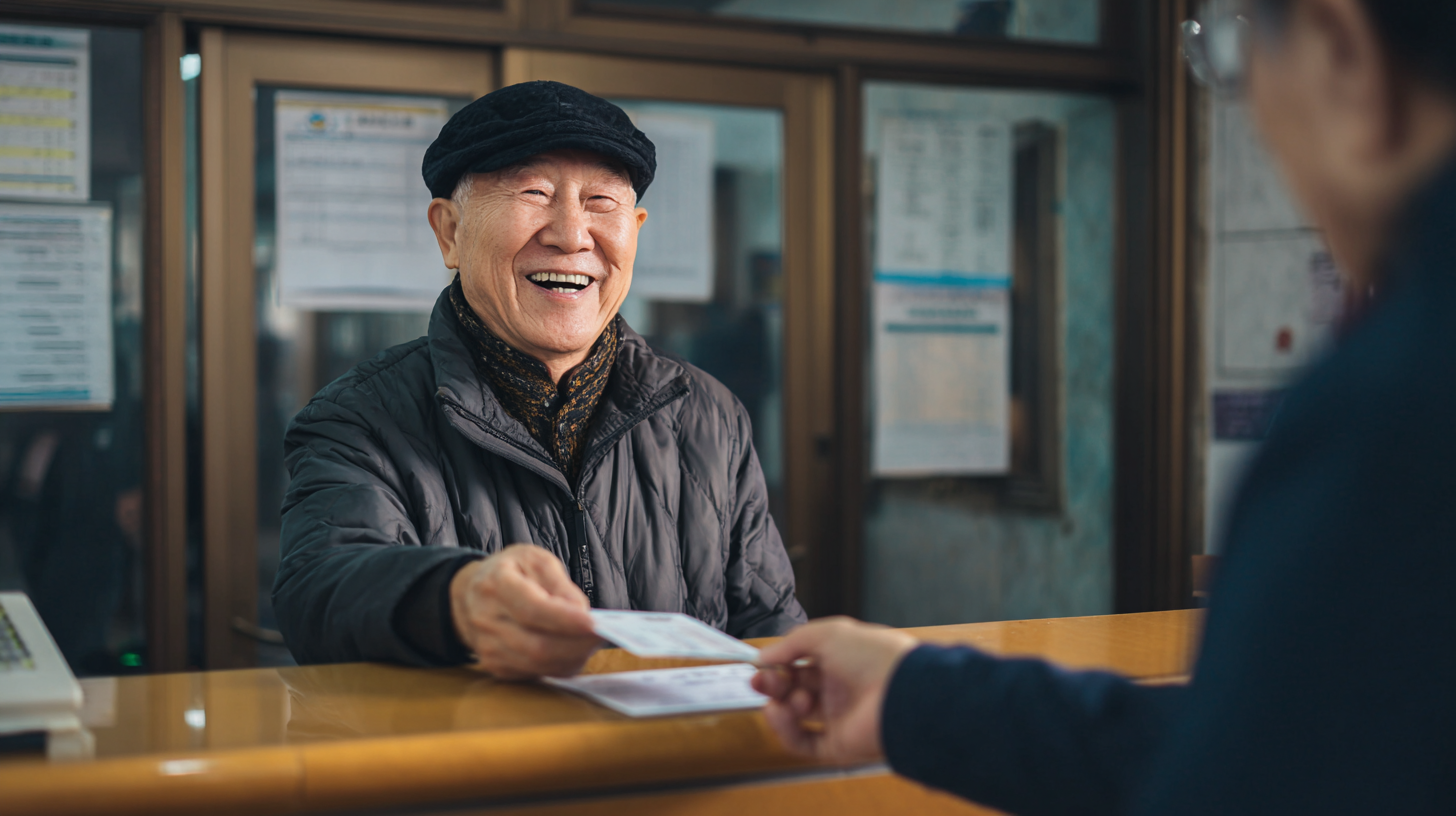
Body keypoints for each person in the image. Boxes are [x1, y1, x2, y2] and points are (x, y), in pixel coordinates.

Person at [752, 0, 1456, 813]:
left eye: (1233, 57)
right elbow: (1285, 740)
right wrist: (919, 696)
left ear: (1342, 53)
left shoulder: (1391, 410)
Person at [273, 81, 805, 679]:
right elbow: (321, 591)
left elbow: (769, 627)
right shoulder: (361, 418)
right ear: (449, 232)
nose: (572, 234)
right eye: (534, 192)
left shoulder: (708, 413)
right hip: (481, 766)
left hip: (672, 763)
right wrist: (456, 598)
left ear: (636, 228)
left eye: (602, 202)